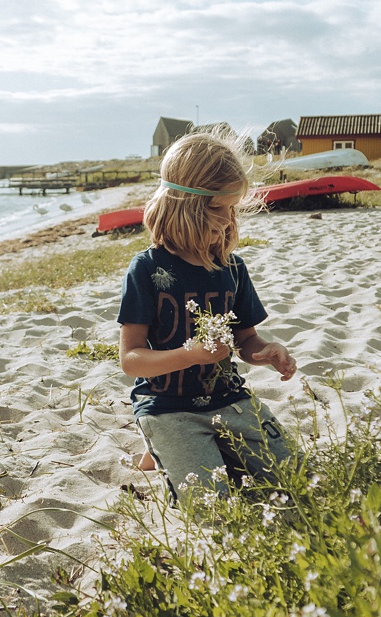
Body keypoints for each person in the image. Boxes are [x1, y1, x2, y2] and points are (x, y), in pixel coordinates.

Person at [117, 131, 298, 501]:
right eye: (218, 208)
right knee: (210, 504)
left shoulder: (232, 268)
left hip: (229, 399)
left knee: (295, 475)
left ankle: (184, 449)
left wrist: (263, 353)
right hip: (168, 408)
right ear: (182, 205)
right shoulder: (146, 271)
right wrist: (190, 355)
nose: (228, 219)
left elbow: (245, 340)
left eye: (233, 207)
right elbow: (131, 360)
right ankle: (162, 444)